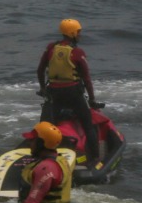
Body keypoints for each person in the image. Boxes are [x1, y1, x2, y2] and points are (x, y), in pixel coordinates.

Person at [36, 18, 101, 162]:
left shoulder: (51, 48)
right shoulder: (77, 52)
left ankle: (39, 153)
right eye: (78, 32)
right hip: (73, 94)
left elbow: (40, 70)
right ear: (71, 32)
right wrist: (92, 99)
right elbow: (86, 79)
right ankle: (96, 159)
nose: (79, 35)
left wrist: (42, 89)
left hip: (53, 93)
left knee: (46, 124)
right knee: (88, 125)